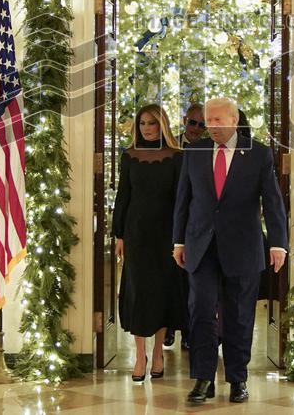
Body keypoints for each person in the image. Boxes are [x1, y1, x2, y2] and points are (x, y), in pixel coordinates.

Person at [172, 97, 288, 404]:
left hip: (243, 246)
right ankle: (203, 378)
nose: (211, 126)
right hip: (201, 246)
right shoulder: (194, 153)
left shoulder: (259, 153)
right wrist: (179, 241)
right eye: (208, 120)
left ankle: (238, 378)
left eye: (218, 120)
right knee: (200, 311)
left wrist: (278, 243)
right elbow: (183, 200)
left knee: (239, 315)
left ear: (234, 121)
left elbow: (273, 201)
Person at [112, 103, 185, 382]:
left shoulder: (178, 157)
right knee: (138, 291)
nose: (146, 129)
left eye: (152, 123)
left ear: (162, 125)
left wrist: (181, 239)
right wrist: (119, 234)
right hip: (136, 233)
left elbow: (182, 200)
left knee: (162, 292)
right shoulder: (128, 156)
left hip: (166, 234)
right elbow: (123, 196)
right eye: (142, 124)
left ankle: (157, 353)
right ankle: (139, 354)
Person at [166, 102, 206, 351]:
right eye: (193, 123)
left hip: (196, 223)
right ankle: (170, 326)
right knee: (172, 279)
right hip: (170, 219)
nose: (197, 128)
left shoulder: (206, 149)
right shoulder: (171, 147)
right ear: (184, 121)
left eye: (202, 125)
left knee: (193, 281)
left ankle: (190, 331)